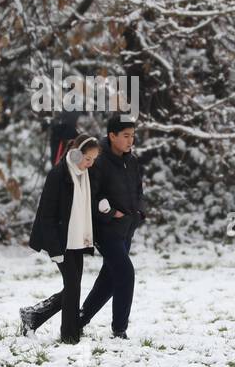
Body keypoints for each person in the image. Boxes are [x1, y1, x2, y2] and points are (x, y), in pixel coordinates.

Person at [21, 134, 101, 343]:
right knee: (73, 286)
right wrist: (55, 249)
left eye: (93, 160)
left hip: (77, 241)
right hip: (61, 241)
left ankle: (34, 315)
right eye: (87, 159)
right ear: (75, 154)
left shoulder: (84, 175)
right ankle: (70, 336)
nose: (90, 164)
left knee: (73, 287)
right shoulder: (58, 175)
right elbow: (46, 215)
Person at [79, 113, 144, 339]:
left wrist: (137, 214)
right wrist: (111, 213)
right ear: (112, 135)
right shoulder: (98, 161)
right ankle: (119, 330)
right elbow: (90, 198)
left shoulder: (133, 161)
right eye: (125, 136)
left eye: (132, 136)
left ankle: (78, 320)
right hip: (105, 231)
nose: (130, 141)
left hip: (126, 229)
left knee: (109, 280)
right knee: (125, 273)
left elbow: (138, 192)